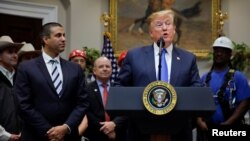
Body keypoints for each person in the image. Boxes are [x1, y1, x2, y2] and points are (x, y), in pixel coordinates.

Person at [116, 9, 201, 141]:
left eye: (168, 23)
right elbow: (120, 87)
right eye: (159, 25)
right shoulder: (134, 56)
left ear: (174, 29)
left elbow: (196, 88)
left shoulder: (188, 58)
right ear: (150, 32)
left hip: (178, 128)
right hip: (142, 127)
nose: (164, 28)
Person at [14, 22, 89, 141]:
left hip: (68, 136)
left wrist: (66, 127)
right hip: (37, 135)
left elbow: (82, 103)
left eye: (64, 35)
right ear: (45, 39)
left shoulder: (74, 69)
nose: (63, 39)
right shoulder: (26, 68)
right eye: (58, 35)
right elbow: (23, 104)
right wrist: (49, 131)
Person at [196, 36, 250, 141]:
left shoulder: (238, 77)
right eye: (216, 50)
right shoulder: (204, 78)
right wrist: (199, 120)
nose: (219, 53)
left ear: (230, 54)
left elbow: (245, 103)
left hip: (230, 130)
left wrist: (227, 124)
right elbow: (198, 102)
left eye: (223, 51)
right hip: (206, 130)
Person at [85, 56, 128, 141]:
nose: (105, 69)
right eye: (101, 67)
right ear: (94, 71)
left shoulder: (119, 88)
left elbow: (125, 111)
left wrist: (114, 124)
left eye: (107, 66)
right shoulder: (86, 89)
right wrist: (106, 129)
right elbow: (87, 112)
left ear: (112, 70)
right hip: (95, 135)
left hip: (118, 134)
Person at [0, 35, 23, 141]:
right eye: (10, 52)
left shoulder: (21, 77)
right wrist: (6, 136)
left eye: (15, 52)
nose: (15, 55)